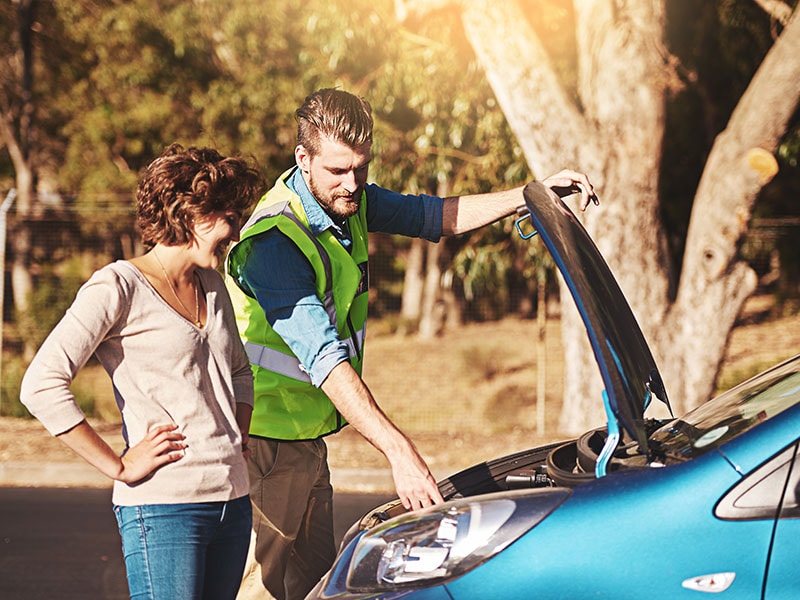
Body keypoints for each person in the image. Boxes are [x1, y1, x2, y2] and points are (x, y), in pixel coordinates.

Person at [226, 88, 597, 600]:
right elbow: (324, 358)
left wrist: (528, 195)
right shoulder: (274, 241)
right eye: (338, 170)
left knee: (317, 585)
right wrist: (399, 452)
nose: (353, 184)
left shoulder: (344, 201)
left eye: (361, 167)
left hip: (306, 439)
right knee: (262, 591)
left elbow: (433, 216)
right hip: (264, 443)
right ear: (302, 159)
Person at [20, 144, 266, 600]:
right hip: (164, 508)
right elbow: (41, 385)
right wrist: (118, 465)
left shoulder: (213, 285)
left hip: (231, 505)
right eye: (230, 216)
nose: (236, 229)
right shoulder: (118, 286)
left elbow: (240, 373)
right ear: (193, 214)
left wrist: (239, 435)